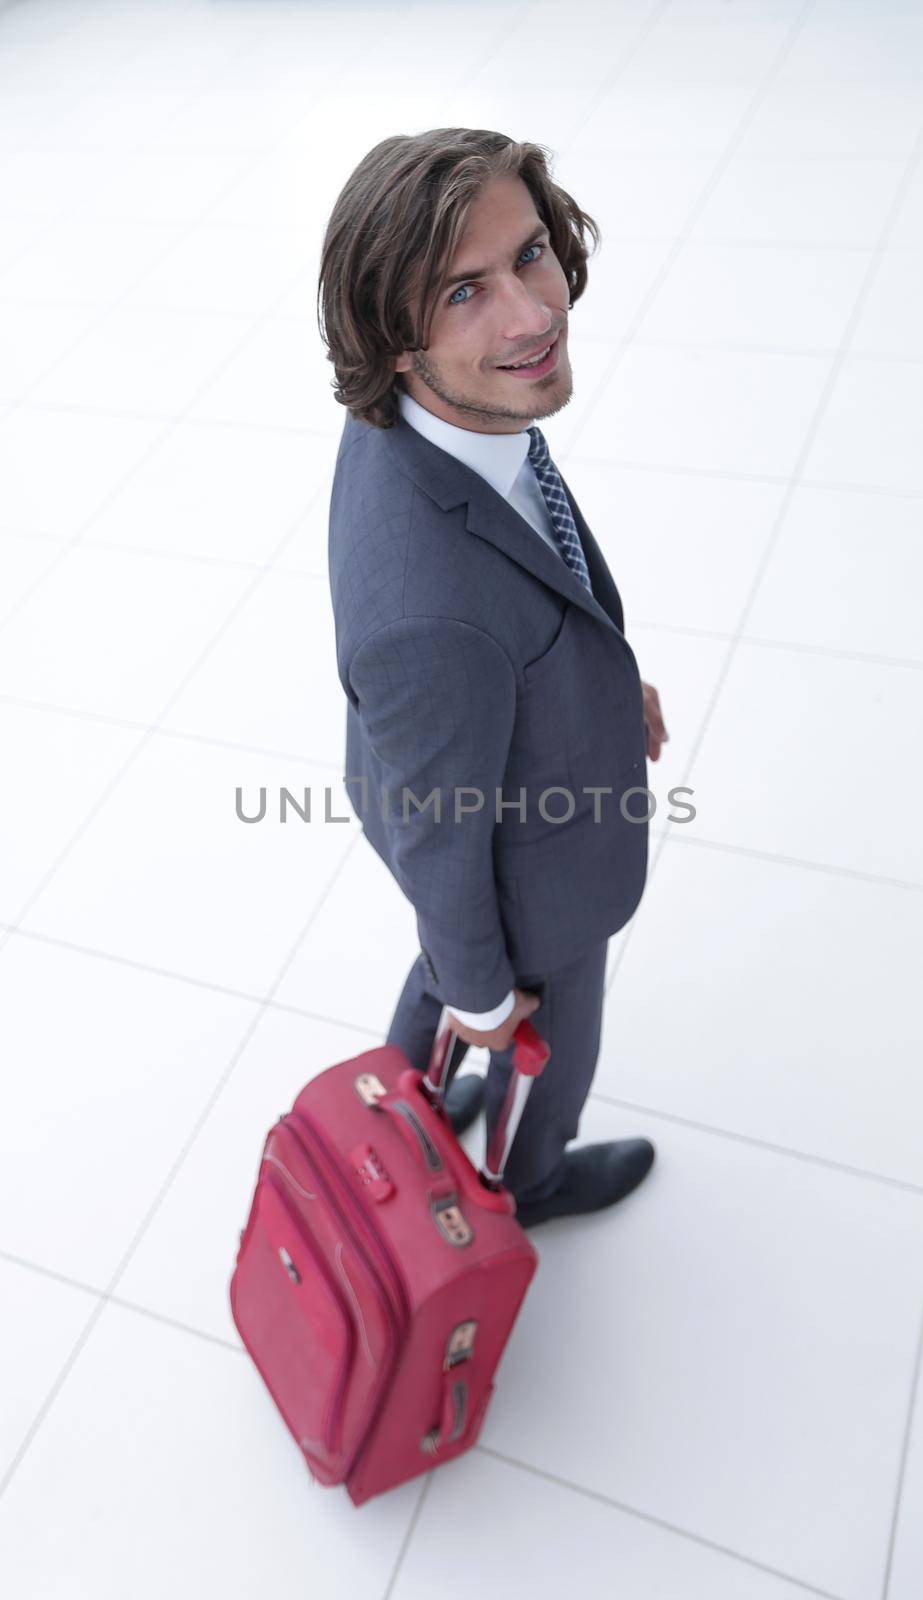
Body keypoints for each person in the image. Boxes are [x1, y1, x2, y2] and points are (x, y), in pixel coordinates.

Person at [318, 128, 669, 1227]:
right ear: (393, 336)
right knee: (537, 1028)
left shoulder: (447, 412)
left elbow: (537, 574)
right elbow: (443, 833)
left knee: (448, 954)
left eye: (528, 255)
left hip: (456, 773)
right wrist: (482, 987)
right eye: (463, 290)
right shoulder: (432, 615)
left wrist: (611, 684)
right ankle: (528, 1179)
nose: (530, 314)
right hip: (526, 863)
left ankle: (416, 1094)